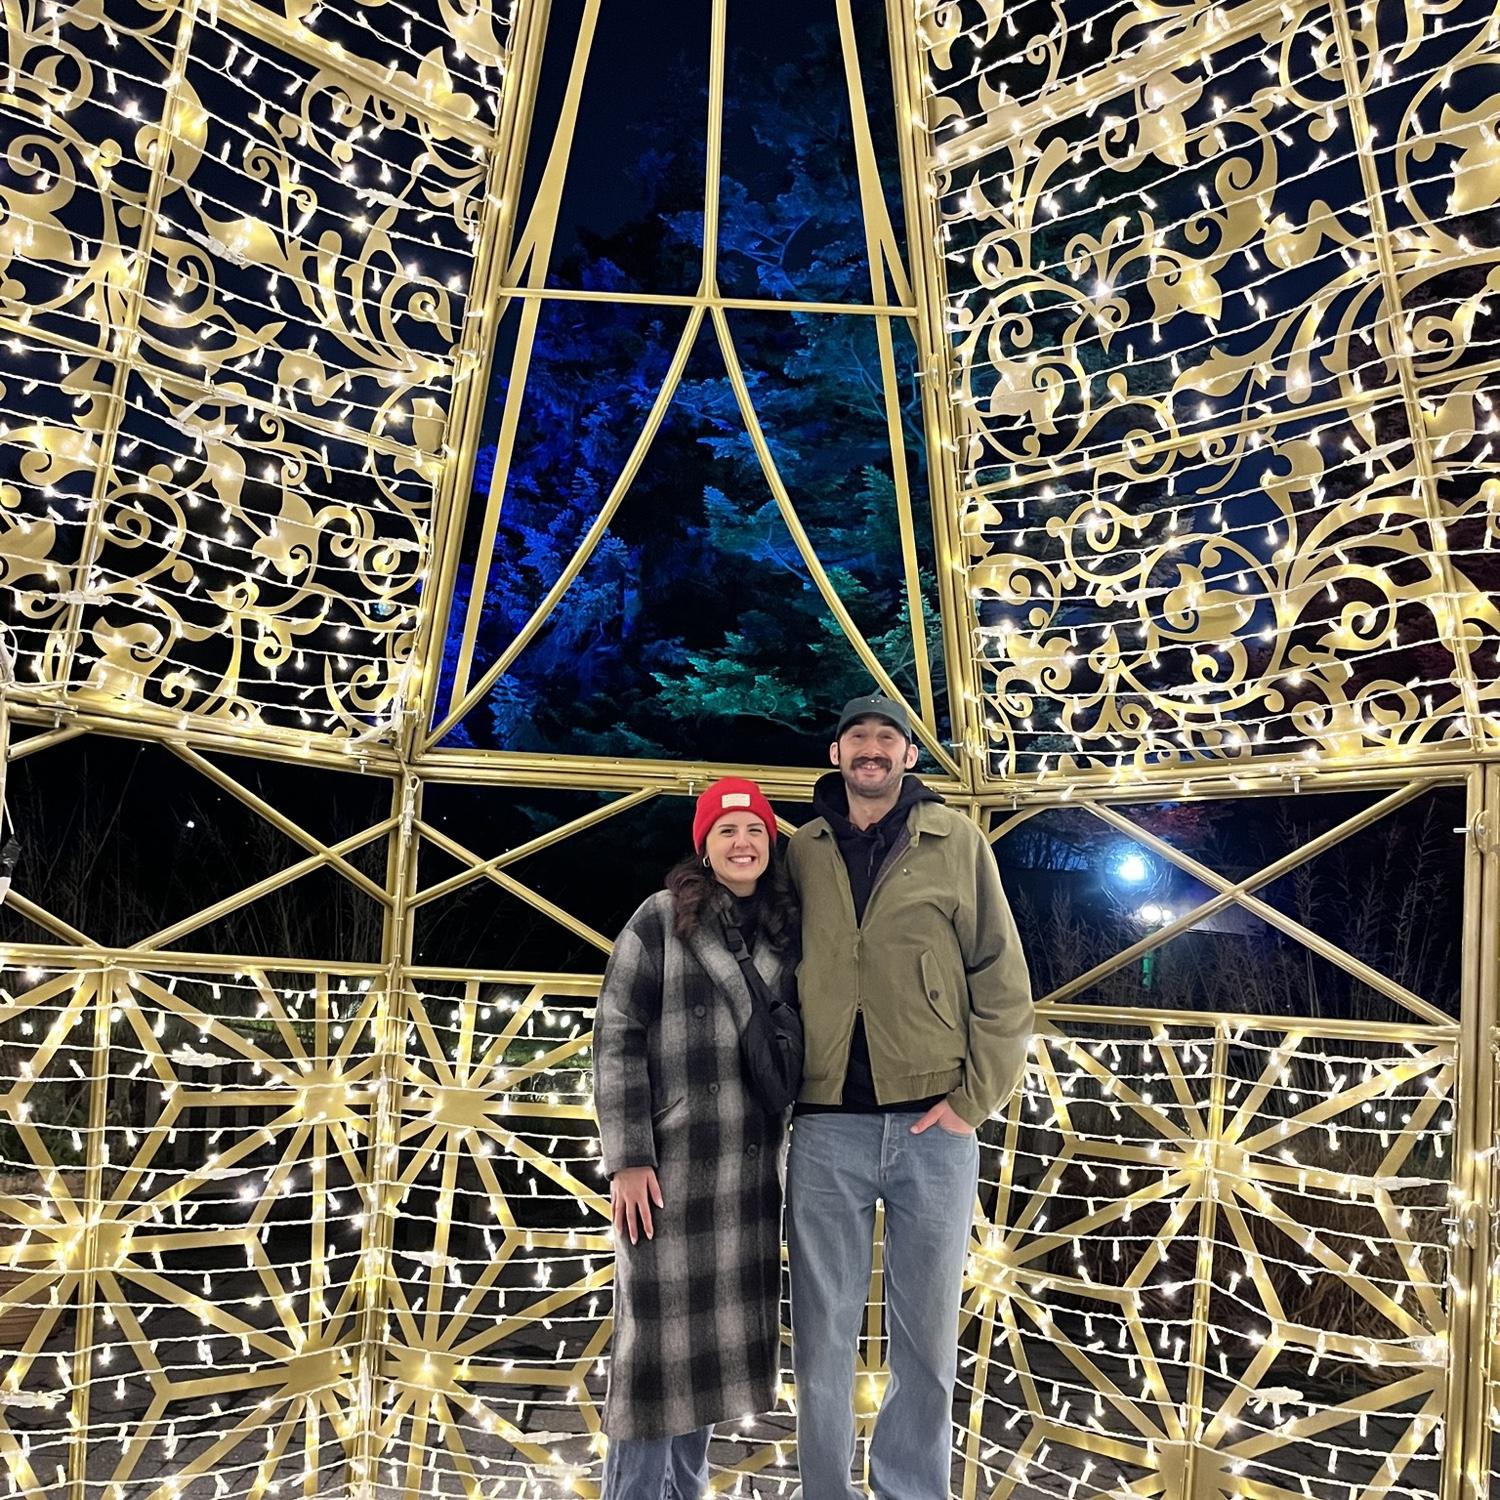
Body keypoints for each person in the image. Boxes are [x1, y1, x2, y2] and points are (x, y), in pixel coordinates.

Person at [786, 692, 1034, 1500]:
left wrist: (973, 1101)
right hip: (826, 1125)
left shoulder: (956, 841)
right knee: (821, 1336)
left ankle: (911, 1491)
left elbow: (1001, 977)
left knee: (926, 1339)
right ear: (836, 754)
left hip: (935, 1125)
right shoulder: (801, 850)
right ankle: (825, 1491)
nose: (871, 748)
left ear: (908, 756)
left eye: (886, 738)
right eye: (856, 736)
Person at [593, 777, 804, 1499]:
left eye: (755, 830)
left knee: (707, 1365)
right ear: (705, 847)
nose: (742, 843)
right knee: (652, 1362)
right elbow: (615, 1035)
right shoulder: (659, 919)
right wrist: (627, 1157)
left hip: (749, 1175)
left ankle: (686, 1492)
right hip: (668, 1172)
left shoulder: (786, 932)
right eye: (726, 831)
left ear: (770, 843)